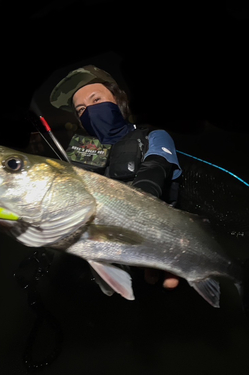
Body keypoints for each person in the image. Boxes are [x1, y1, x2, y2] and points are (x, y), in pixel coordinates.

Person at [50, 65, 182, 289]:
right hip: (102, 255)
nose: (89, 111)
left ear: (119, 100)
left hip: (158, 244)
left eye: (96, 100)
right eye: (81, 110)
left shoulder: (153, 136)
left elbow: (154, 170)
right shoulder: (81, 153)